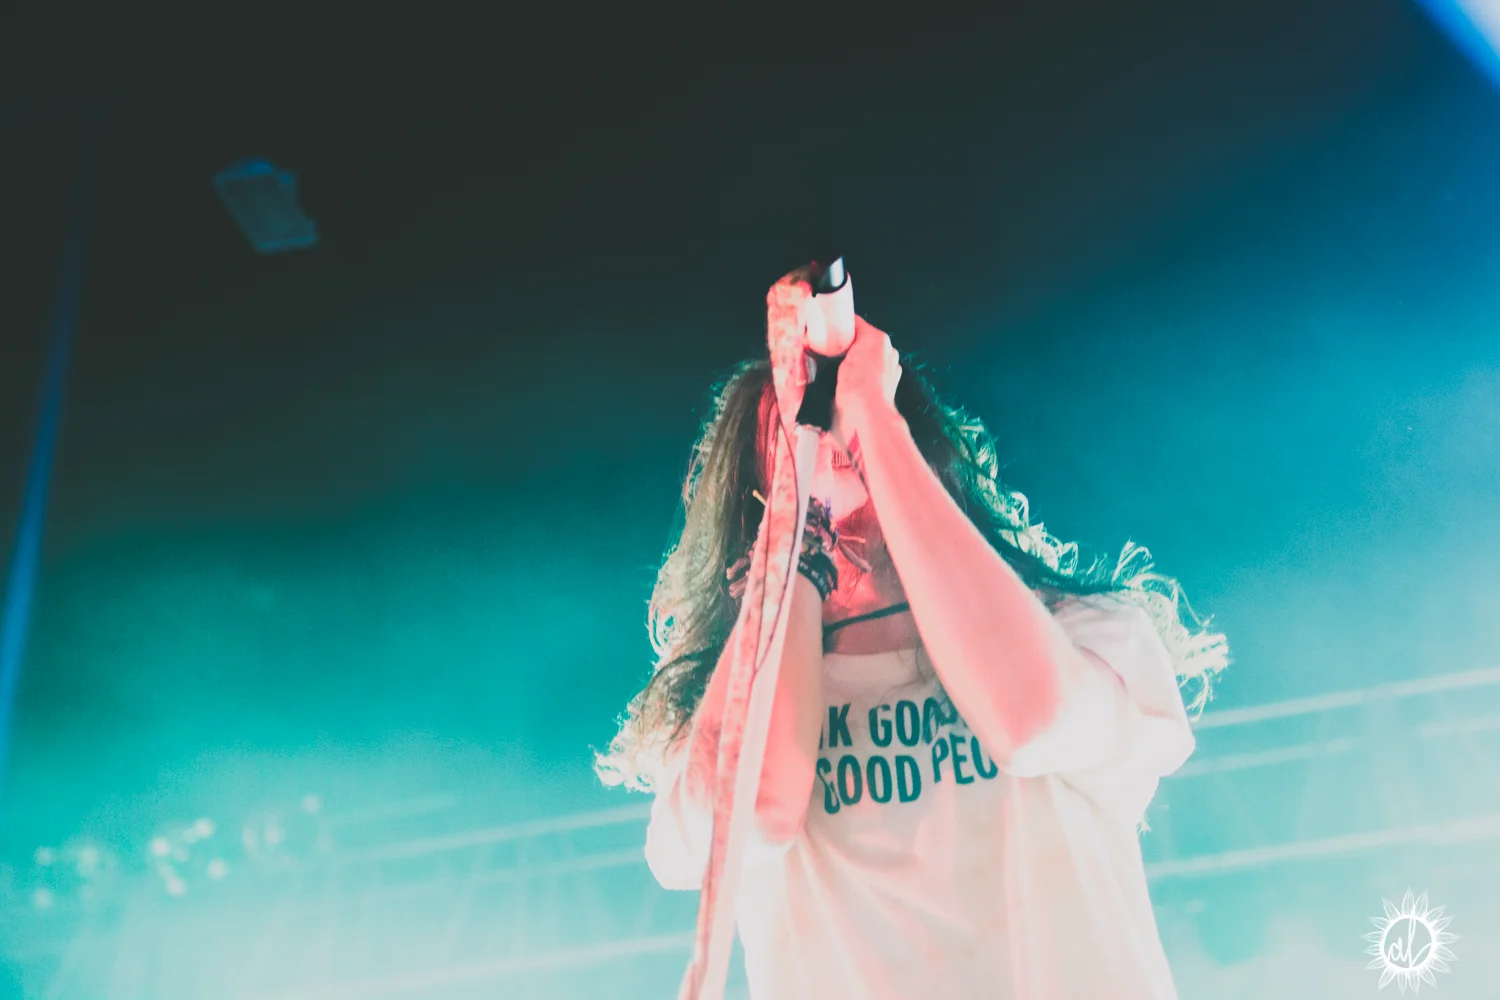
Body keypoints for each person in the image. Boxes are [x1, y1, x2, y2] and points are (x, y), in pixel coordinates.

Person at [596, 273, 1229, 999]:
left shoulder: (1085, 632)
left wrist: (873, 412)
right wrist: (798, 557)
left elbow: (1032, 720)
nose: (825, 434)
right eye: (795, 428)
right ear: (755, 492)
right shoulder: (719, 715)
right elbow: (758, 808)